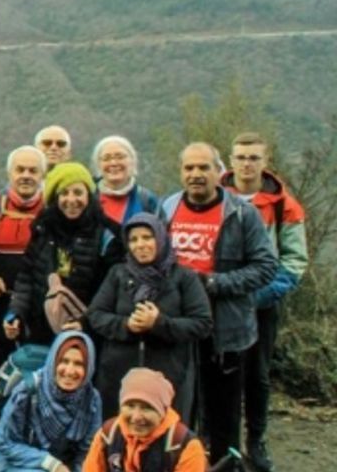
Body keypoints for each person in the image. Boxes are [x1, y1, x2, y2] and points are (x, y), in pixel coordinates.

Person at [160, 142, 276, 465]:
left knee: (223, 415)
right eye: (189, 168)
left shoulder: (241, 214)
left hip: (225, 329)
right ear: (181, 172)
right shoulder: (167, 208)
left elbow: (266, 266)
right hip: (177, 327)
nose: (196, 175)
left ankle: (227, 464)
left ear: (219, 172)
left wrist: (215, 283)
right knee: (179, 410)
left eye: (203, 168)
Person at [222, 131, 308, 472]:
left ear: (265, 160)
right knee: (220, 374)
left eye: (254, 157)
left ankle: (256, 441)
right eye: (241, 157)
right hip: (220, 301)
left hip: (262, 305)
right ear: (231, 160)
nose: (247, 164)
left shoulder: (284, 204)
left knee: (257, 375)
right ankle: (224, 443)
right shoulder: (215, 196)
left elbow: (294, 260)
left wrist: (260, 295)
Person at [87, 213, 211, 420]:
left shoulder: (184, 277)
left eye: (147, 237)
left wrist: (159, 323)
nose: (140, 245)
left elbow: (202, 323)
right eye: (133, 240)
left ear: (161, 238)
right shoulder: (117, 274)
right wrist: (126, 325)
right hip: (118, 374)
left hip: (170, 375)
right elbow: (96, 314)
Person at [6, 163, 123, 346]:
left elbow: (112, 291)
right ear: (55, 198)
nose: (71, 200)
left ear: (89, 196)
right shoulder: (43, 228)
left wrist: (85, 323)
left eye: (78, 192)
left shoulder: (108, 234)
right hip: (41, 330)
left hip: (88, 334)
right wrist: (16, 313)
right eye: (64, 193)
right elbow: (27, 277)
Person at [0, 146, 46, 407]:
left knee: (33, 370)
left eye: (33, 170)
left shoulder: (51, 211)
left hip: (37, 307)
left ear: (42, 174)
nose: (26, 175)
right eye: (20, 170)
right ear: (9, 173)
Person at [0, 331, 102, 472]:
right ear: (53, 361)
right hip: (11, 457)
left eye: (79, 364)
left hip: (58, 463)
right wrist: (52, 464)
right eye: (64, 361)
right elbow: (5, 442)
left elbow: (87, 450)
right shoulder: (28, 390)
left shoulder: (91, 399)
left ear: (88, 369)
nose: (70, 371)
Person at [83, 368, 207, 472]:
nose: (136, 417)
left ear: (162, 411)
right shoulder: (107, 435)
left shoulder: (184, 447)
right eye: (130, 406)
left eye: (147, 408)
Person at [91, 136, 161, 226]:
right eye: (106, 158)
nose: (113, 163)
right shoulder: (88, 200)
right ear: (98, 164)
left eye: (119, 157)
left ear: (132, 161)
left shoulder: (147, 200)